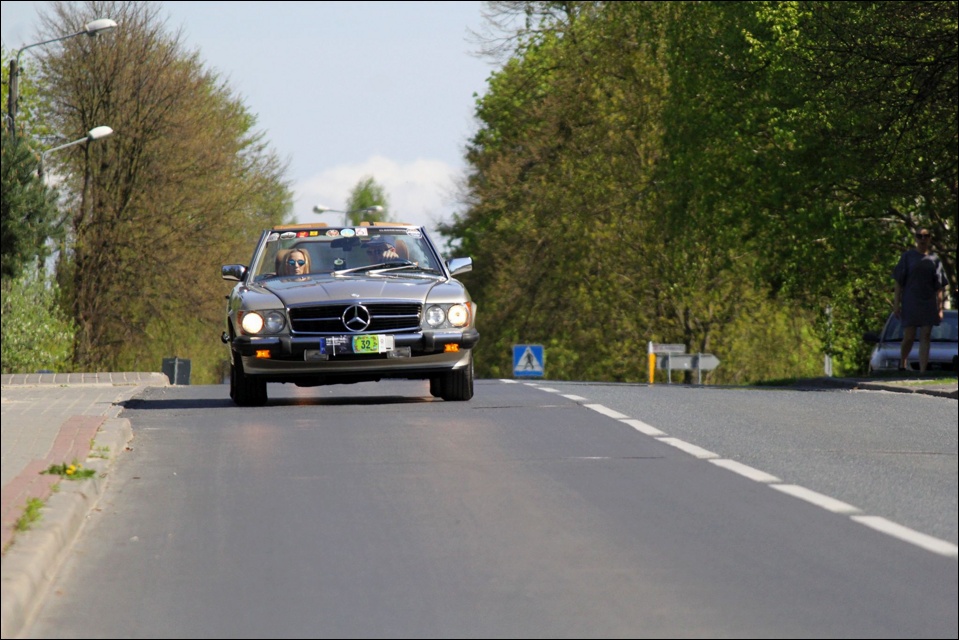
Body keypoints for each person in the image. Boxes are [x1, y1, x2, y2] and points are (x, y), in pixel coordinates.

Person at [892, 228, 949, 372]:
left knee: (926, 335)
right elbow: (898, 282)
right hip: (910, 301)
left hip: (928, 302)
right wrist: (896, 304)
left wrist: (940, 308)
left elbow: (940, 286)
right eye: (920, 236)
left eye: (926, 236)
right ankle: (903, 362)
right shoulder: (908, 257)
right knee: (909, 336)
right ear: (916, 238)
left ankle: (923, 370)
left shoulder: (934, 259)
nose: (923, 239)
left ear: (930, 238)